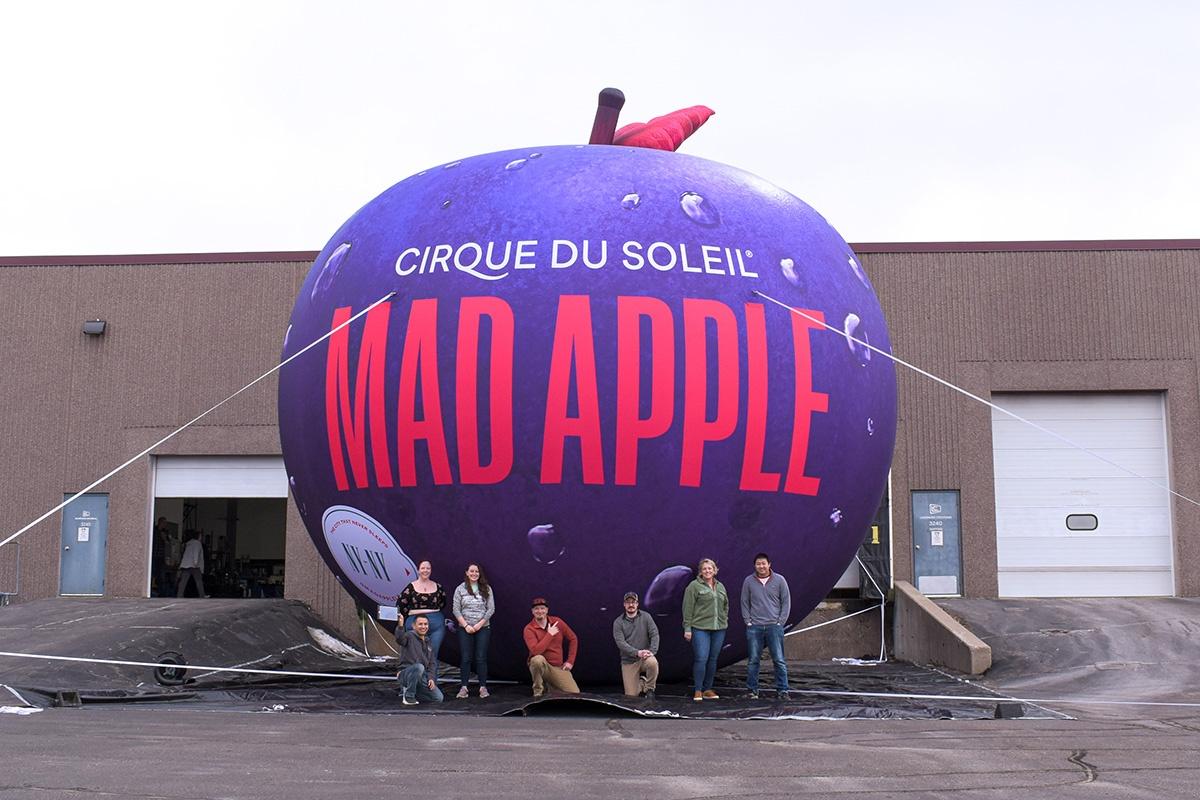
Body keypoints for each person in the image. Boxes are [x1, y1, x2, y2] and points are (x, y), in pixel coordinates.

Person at [740, 552, 792, 700]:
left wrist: (780, 622)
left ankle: (783, 690)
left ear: (769, 564)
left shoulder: (780, 580)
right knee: (753, 660)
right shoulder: (749, 581)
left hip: (774, 626)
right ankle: (752, 690)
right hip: (755, 626)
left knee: (779, 660)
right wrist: (748, 621)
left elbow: (786, 602)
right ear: (754, 566)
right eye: (758, 564)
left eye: (763, 563)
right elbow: (744, 602)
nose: (761, 566)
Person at [682, 557, 728, 701]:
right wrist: (687, 628)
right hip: (700, 628)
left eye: (710, 568)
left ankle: (708, 689)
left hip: (719, 628)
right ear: (701, 572)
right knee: (701, 658)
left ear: (715, 571)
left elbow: (726, 605)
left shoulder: (720, 586)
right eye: (704, 569)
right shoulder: (694, 586)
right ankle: (698, 690)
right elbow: (687, 608)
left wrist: (724, 619)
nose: (707, 571)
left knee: (713, 659)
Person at [452, 563, 494, 699]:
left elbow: (491, 609)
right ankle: (464, 687)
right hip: (465, 628)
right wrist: (466, 626)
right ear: (467, 573)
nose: (474, 573)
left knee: (481, 657)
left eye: (477, 571)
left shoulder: (486, 588)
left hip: (483, 628)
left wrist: (479, 625)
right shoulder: (460, 589)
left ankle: (483, 687)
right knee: (465, 657)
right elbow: (456, 609)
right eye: (472, 571)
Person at [523, 597, 580, 697]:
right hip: (542, 665)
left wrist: (570, 661)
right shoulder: (529, 629)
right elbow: (536, 651)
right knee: (537, 660)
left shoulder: (557, 622)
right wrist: (550, 635)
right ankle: (538, 691)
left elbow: (573, 638)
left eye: (542, 608)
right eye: (536, 609)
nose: (539, 611)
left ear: (547, 610)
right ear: (532, 611)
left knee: (574, 693)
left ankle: (550, 685)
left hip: (557, 667)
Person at [397, 560, 447, 665]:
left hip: (435, 623)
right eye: (423, 568)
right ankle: (417, 680)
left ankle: (431, 681)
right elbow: (400, 604)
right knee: (415, 656)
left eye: (428, 568)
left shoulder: (438, 587)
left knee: (432, 655)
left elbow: (443, 603)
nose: (425, 570)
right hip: (414, 622)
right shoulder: (410, 587)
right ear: (418, 570)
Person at [612, 591, 659, 700]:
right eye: (628, 602)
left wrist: (652, 651)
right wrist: (637, 652)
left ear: (637, 604)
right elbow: (620, 643)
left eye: (633, 602)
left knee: (653, 662)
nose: (631, 605)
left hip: (645, 657)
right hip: (629, 661)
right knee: (631, 696)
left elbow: (654, 634)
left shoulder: (646, 617)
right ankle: (642, 682)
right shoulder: (618, 622)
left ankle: (650, 689)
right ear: (624, 604)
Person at [394, 614, 444, 705]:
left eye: (425, 624)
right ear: (414, 626)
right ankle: (409, 697)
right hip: (406, 673)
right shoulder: (409, 636)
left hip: (421, 676)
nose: (423, 626)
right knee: (419, 667)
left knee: (438, 698)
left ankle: (411, 691)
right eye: (420, 624)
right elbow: (400, 639)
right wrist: (401, 625)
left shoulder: (428, 642)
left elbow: (432, 663)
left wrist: (431, 678)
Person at [176, 532, 206, 598]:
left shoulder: (189, 543)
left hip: (186, 564)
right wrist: (195, 562)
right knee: (198, 581)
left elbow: (185, 554)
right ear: (198, 537)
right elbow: (196, 552)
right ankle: (202, 595)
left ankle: (179, 595)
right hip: (194, 565)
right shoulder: (197, 543)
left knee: (183, 581)